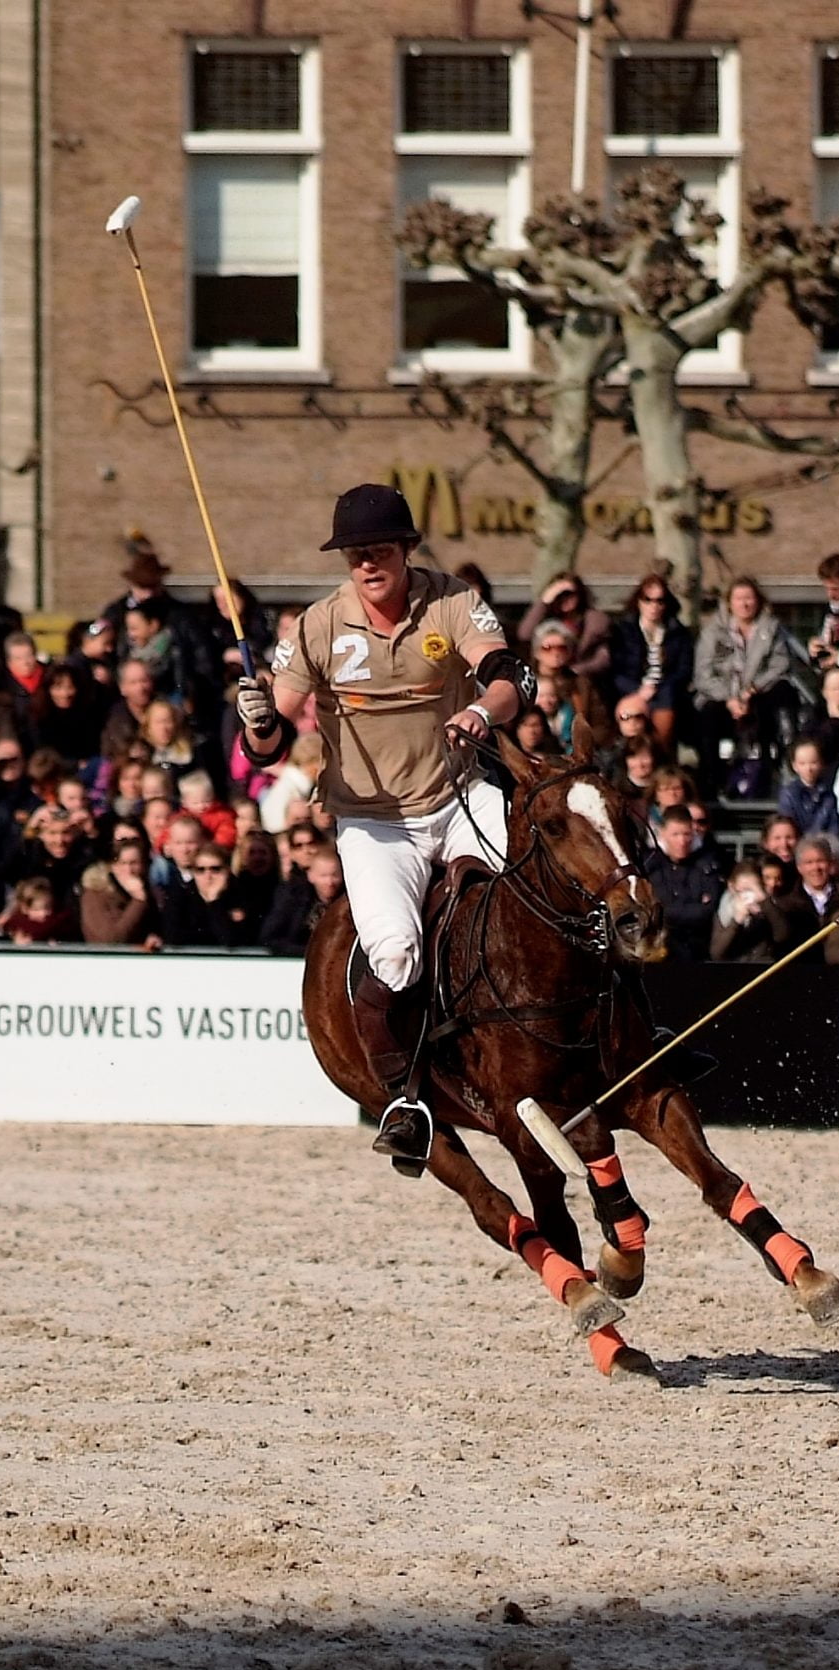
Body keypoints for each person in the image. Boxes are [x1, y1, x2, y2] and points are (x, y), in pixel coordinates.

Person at [233, 483, 525, 1167]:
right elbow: (269, 738)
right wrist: (258, 723)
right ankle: (403, 1098)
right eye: (356, 553)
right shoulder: (317, 625)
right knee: (394, 952)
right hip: (374, 821)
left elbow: (508, 675)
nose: (368, 563)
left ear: (406, 550)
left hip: (460, 794)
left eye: (381, 550)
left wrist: (483, 710)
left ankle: (622, 1032)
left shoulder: (451, 601)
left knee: (539, 895)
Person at [692, 577, 803, 798]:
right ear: (729, 602)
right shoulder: (712, 632)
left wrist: (752, 690)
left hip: (757, 695)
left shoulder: (771, 629)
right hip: (721, 698)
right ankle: (712, 783)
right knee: (707, 718)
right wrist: (729, 698)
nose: (745, 604)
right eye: (739, 599)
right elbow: (703, 673)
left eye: (749, 598)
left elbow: (780, 664)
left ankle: (775, 772)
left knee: (779, 699)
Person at [605, 574, 691, 752]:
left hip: (666, 694)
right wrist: (637, 691)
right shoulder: (623, 630)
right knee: (630, 712)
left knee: (666, 706)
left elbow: (684, 670)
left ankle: (660, 755)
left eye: (660, 601)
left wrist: (658, 689)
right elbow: (615, 669)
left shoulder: (678, 632)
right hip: (629, 692)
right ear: (638, 601)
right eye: (648, 600)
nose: (654, 606)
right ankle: (629, 759)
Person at [642, 806, 722, 962]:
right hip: (659, 951)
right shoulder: (650, 865)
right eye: (675, 834)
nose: (682, 841)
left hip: (697, 949)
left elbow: (707, 911)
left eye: (686, 834)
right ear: (663, 834)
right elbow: (651, 910)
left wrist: (668, 911)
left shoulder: (707, 864)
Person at [258, 846, 340, 954]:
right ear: (311, 876)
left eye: (334, 875)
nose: (330, 882)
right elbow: (270, 938)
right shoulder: (292, 899)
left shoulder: (349, 903)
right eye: (323, 876)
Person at [775, 736, 839, 839]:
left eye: (813, 763)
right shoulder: (789, 794)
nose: (809, 768)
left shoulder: (828, 795)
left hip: (823, 847)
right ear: (794, 766)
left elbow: (833, 829)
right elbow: (787, 827)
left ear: (821, 763)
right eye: (802, 763)